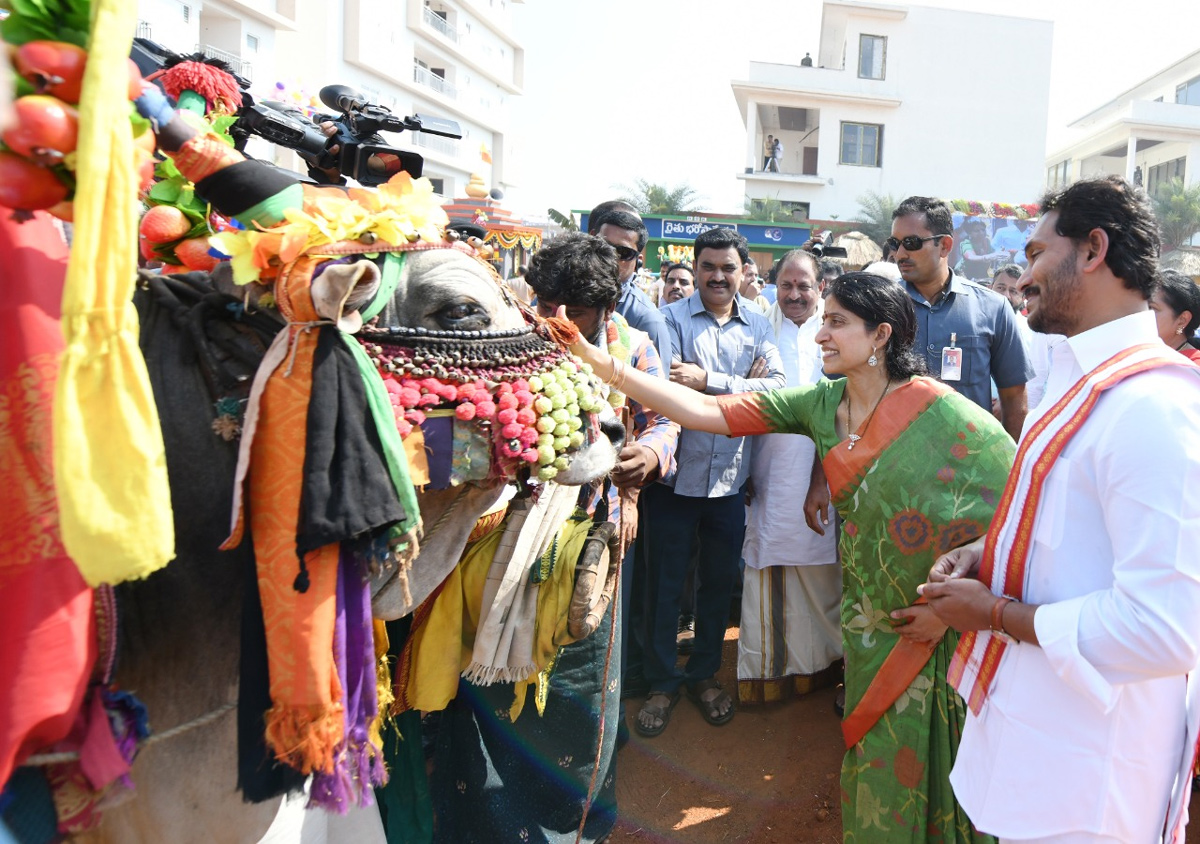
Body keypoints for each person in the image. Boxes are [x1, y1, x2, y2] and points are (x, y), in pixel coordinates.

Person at [566, 271, 1014, 842]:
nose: (820, 334)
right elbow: (708, 412)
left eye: (836, 322)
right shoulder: (819, 404)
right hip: (871, 622)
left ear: (880, 336)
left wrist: (956, 599)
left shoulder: (948, 415)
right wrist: (607, 367)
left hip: (943, 626)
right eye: (822, 320)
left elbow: (1020, 508)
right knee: (878, 751)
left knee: (944, 754)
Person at [920, 176, 1200, 843]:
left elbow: (1164, 630)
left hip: (1092, 777)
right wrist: (988, 555)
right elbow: (1062, 528)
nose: (1023, 276)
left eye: (1040, 254)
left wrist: (992, 613)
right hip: (1040, 733)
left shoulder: (1155, 410)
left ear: (1094, 249)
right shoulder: (1082, 383)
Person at [433, 232, 678, 843]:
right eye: (547, 301)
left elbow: (666, 420)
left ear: (610, 307)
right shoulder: (500, 338)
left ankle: (575, 822)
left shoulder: (636, 350)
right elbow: (448, 433)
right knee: (487, 686)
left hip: (589, 546)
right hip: (493, 543)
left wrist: (645, 462)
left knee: (580, 696)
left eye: (577, 308)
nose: (557, 319)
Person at [635, 226, 785, 737]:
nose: (718, 277)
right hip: (675, 480)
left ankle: (702, 676)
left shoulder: (761, 326)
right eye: (708, 267)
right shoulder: (668, 320)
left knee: (718, 585)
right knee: (665, 585)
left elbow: (777, 390)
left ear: (744, 272)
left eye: (728, 268)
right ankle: (661, 681)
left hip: (729, 483)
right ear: (695, 268)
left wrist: (712, 382)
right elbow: (669, 390)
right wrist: (742, 387)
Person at [737, 250, 841, 705]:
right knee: (769, 563)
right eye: (786, 285)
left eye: (805, 285)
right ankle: (769, 670)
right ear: (774, 286)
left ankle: (824, 663)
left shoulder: (837, 333)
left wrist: (824, 478)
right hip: (769, 473)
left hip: (827, 473)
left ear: (820, 287)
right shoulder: (760, 331)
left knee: (822, 572)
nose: (795, 294)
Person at [890, 196, 1032, 440]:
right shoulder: (879, 307)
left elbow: (1014, 399)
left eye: (911, 243)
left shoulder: (993, 308)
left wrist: (1009, 470)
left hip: (970, 468)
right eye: (895, 243)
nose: (900, 253)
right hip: (891, 466)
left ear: (945, 245)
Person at [587, 202, 672, 375]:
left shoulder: (647, 319)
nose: (611, 258)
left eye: (623, 253)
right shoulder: (558, 292)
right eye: (605, 247)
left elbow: (657, 393)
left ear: (637, 261)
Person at [992, 263, 1059, 410]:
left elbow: (1037, 382)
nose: (1005, 296)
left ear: (1023, 297)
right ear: (991, 288)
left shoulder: (1035, 333)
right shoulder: (973, 325)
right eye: (1001, 288)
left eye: (1013, 291)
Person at [1151, 267, 1200, 362]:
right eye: (1142, 307)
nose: (1143, 314)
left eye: (1152, 308)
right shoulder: (1139, 357)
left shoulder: (1193, 368)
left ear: (1182, 320)